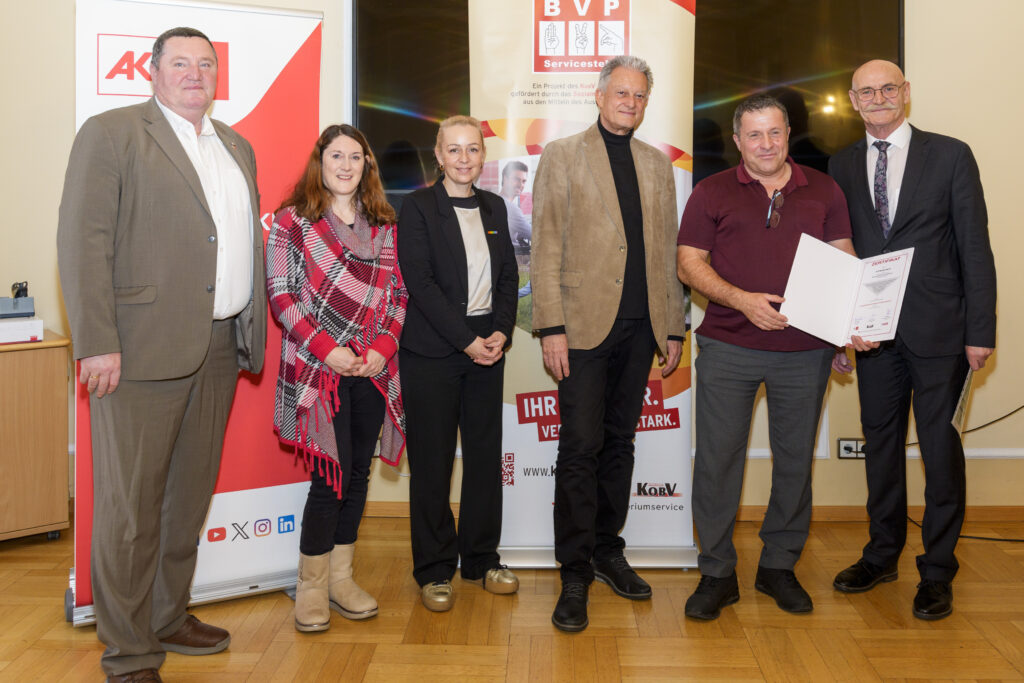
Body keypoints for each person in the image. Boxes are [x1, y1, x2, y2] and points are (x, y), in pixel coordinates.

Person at [56, 27, 264, 683]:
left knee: (186, 497)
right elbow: (82, 242)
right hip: (138, 351)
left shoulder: (236, 145)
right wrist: (96, 342)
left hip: (219, 345)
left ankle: (168, 614)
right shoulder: (112, 133)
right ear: (152, 71)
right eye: (181, 62)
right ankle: (128, 649)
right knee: (130, 509)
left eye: (207, 63)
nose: (195, 73)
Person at [676, 94, 855, 621]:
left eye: (775, 133)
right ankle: (716, 573)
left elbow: (844, 260)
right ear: (737, 141)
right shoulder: (711, 191)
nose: (766, 144)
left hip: (805, 350)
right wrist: (743, 301)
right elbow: (689, 264)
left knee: (795, 463)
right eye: (754, 135)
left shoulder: (824, 189)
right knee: (716, 462)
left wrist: (843, 331)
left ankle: (778, 566)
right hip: (729, 345)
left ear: (788, 133)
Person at [829, 60, 996, 620]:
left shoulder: (950, 154)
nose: (878, 98)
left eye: (888, 88)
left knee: (940, 452)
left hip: (940, 331)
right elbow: (838, 253)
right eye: (867, 91)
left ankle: (939, 571)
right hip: (872, 337)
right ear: (853, 100)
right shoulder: (841, 164)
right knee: (880, 447)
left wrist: (981, 330)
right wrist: (836, 331)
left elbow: (975, 245)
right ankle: (881, 555)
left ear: (906, 93)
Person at [530, 55, 685, 633]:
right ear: (598, 96)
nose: (630, 102)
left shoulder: (656, 164)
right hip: (582, 326)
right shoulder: (563, 156)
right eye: (621, 93)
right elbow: (545, 247)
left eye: (640, 96)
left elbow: (665, 251)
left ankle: (607, 551)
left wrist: (671, 325)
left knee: (620, 444)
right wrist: (550, 327)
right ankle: (573, 571)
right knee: (580, 447)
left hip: (642, 328)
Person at [266, 124, 407, 632]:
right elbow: (282, 295)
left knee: (360, 476)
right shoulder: (293, 222)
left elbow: (399, 297)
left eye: (355, 157)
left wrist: (381, 349)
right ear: (319, 163)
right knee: (331, 477)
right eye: (336, 156)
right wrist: (330, 351)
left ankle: (342, 578)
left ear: (367, 165)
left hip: (371, 368)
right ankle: (312, 585)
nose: (345, 166)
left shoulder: (384, 224)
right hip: (318, 370)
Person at [397, 115, 520, 612]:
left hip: (487, 350)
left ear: (482, 157)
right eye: (454, 149)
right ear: (439, 154)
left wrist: (502, 333)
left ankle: (481, 558)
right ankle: (433, 569)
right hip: (433, 354)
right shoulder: (419, 208)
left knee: (486, 460)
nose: (464, 158)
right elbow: (420, 285)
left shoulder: (495, 206)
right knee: (433, 462)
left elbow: (510, 277)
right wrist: (469, 341)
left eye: (473, 149)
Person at [499, 160, 532, 246]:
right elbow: (533, 235)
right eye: (516, 179)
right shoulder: (510, 208)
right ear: (505, 178)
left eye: (524, 181)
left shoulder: (497, 200)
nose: (520, 184)